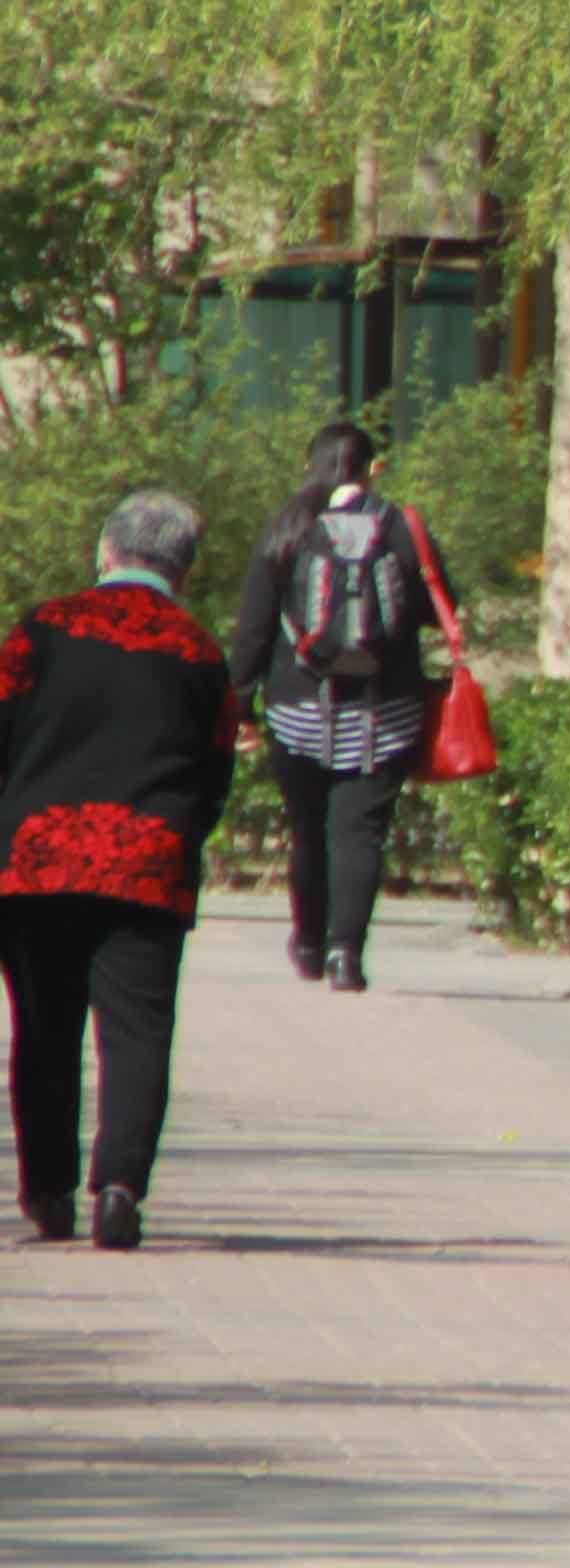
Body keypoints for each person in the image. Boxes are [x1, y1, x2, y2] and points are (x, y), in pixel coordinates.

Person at [1, 491, 237, 1248]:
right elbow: (216, 768)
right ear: (185, 570)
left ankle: (48, 1191)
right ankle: (121, 1189)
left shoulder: (42, 629)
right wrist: (181, 837)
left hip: (37, 861)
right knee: (138, 1030)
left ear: (106, 550)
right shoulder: (197, 651)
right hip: (147, 862)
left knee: (44, 1027)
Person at [225, 422, 448, 992]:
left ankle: (308, 942)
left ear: (312, 466)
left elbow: (254, 625)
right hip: (384, 714)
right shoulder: (402, 527)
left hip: (297, 711)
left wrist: (240, 703)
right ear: (373, 470)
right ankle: (345, 955)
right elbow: (437, 605)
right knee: (360, 833)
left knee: (308, 829)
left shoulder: (290, 526)